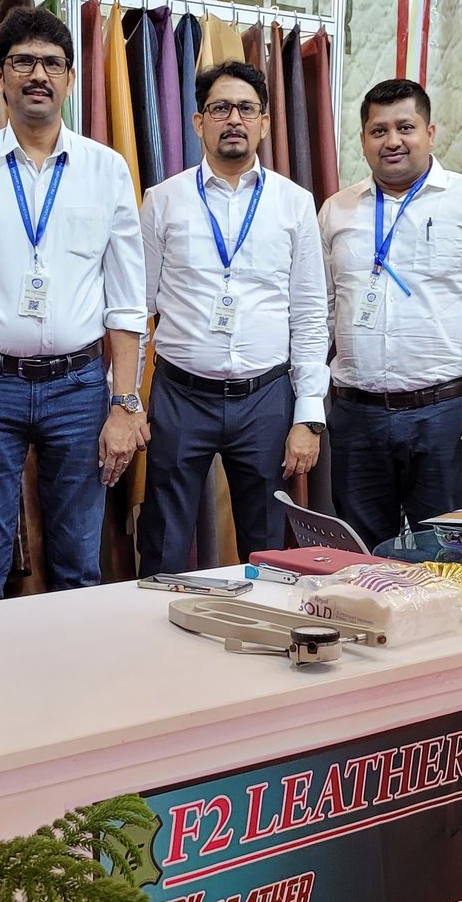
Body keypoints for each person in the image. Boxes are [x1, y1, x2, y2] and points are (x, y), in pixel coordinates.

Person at [0, 7, 148, 603]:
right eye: (23, 62)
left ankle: (70, 664)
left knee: (78, 564)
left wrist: (124, 402)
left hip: (79, 388)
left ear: (70, 77)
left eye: (52, 63)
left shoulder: (106, 169)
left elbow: (127, 302)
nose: (38, 75)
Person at [319, 78, 462, 548]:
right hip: (356, 416)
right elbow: (322, 313)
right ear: (363, 140)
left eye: (405, 127)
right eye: (379, 131)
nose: (392, 141)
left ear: (429, 133)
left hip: (441, 416)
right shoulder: (336, 211)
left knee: (446, 555)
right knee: (360, 556)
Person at [136, 60, 326, 572]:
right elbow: (137, 308)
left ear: (264, 122)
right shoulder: (162, 200)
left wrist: (308, 415)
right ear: (199, 122)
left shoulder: (294, 204)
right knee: (163, 543)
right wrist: (126, 398)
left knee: (267, 549)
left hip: (265, 398)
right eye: (220, 108)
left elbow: (311, 314)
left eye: (246, 108)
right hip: (180, 396)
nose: (234, 119)